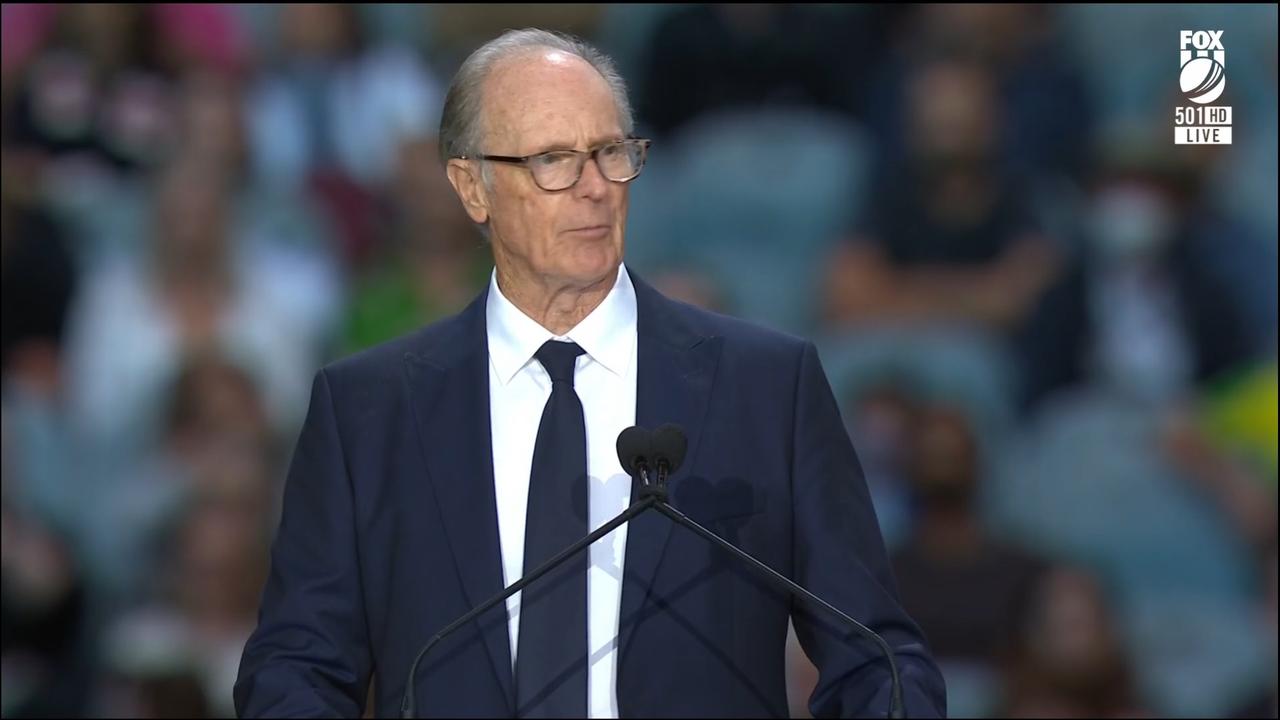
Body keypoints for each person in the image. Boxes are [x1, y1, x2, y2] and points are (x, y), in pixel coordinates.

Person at [235, 29, 946, 718]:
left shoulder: (766, 389)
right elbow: (295, 669)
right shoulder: (368, 411)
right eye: (552, 159)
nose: (595, 188)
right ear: (472, 187)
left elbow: (878, 659)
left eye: (610, 152)